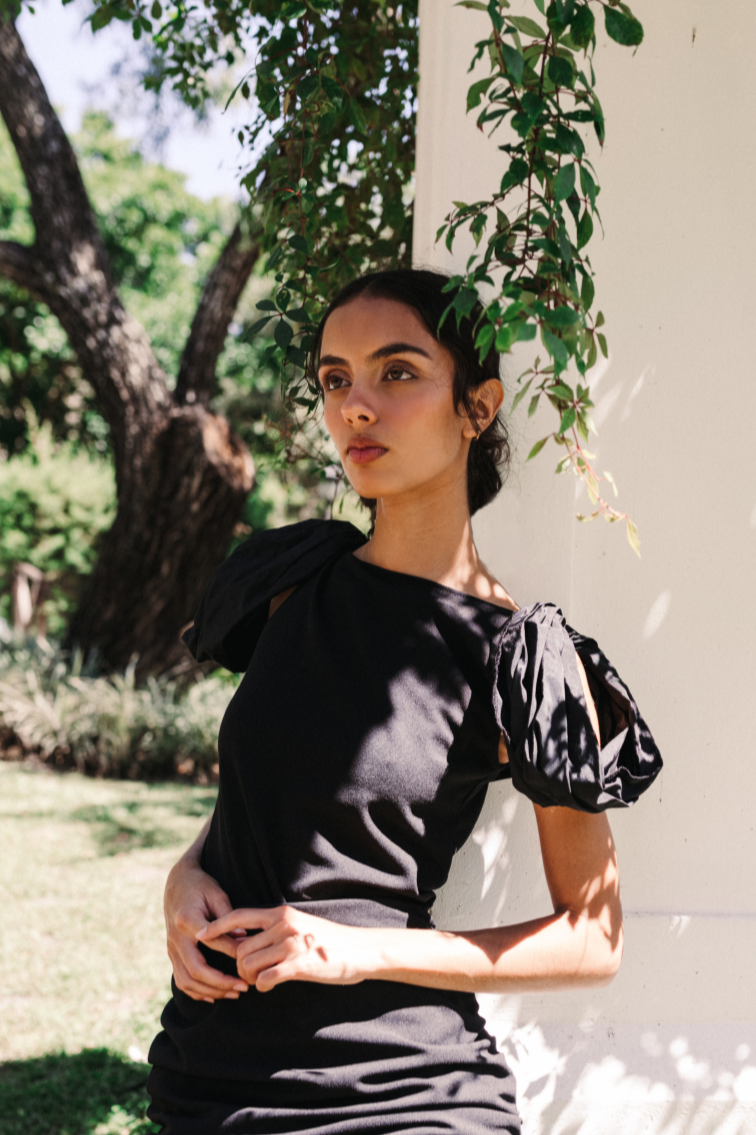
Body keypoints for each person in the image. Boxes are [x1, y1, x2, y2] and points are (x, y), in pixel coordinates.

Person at [147, 268, 662, 1133]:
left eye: (397, 372)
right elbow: (276, 785)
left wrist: (354, 950)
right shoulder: (289, 582)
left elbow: (594, 937)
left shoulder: (525, 659)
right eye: (335, 378)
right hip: (209, 1074)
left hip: (397, 1093)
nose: (356, 405)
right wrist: (186, 871)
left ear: (478, 405)